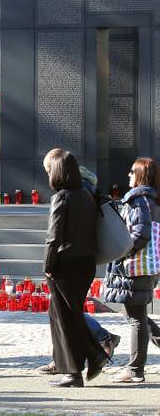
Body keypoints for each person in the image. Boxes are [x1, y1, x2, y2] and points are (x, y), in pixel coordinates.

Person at [37, 156, 121, 375]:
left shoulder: (61, 197)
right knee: (69, 315)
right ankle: (88, 357)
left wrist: (48, 265)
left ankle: (76, 368)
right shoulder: (86, 195)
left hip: (65, 264)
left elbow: (53, 237)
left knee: (65, 318)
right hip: (86, 262)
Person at [103, 157, 160, 384]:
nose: (128, 175)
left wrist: (121, 252)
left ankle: (135, 370)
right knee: (137, 314)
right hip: (145, 266)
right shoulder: (151, 199)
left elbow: (141, 233)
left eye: (131, 171)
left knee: (136, 318)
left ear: (141, 174)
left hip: (135, 265)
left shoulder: (139, 199)